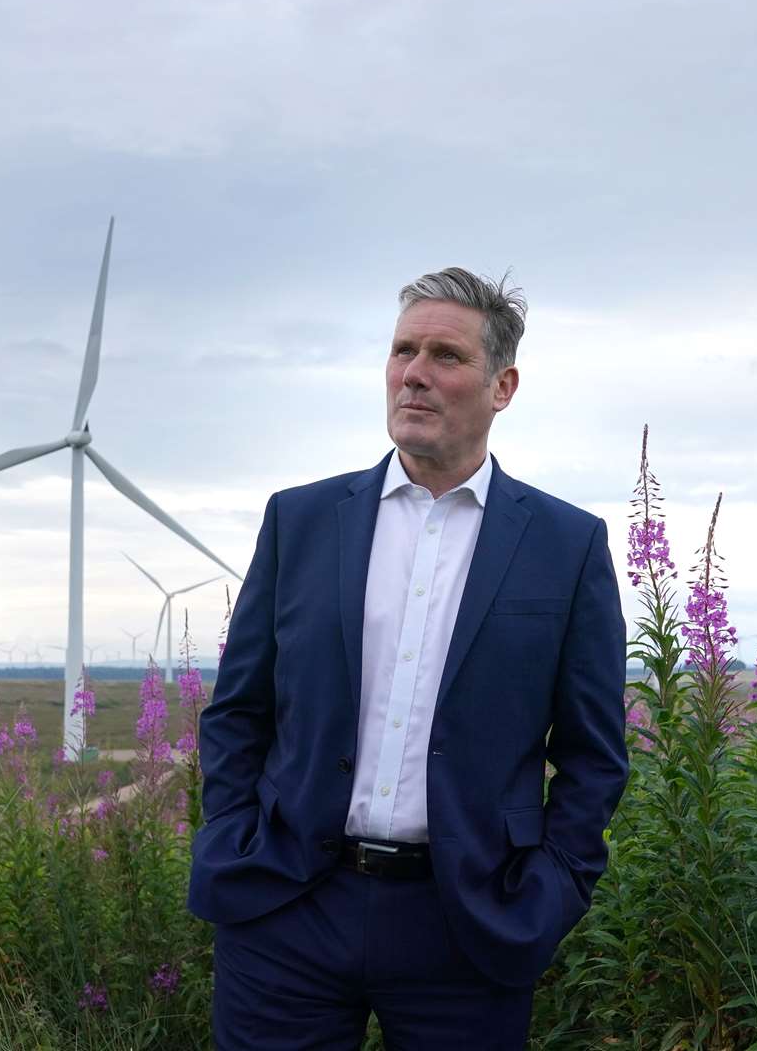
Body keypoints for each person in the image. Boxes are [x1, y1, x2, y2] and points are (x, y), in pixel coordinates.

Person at [187, 267, 629, 1049]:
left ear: (504, 385)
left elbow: (595, 757)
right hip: (287, 908)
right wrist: (234, 831)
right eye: (402, 350)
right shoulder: (301, 521)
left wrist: (550, 891)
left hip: (468, 923)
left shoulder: (566, 547)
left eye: (446, 356)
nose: (415, 374)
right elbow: (238, 711)